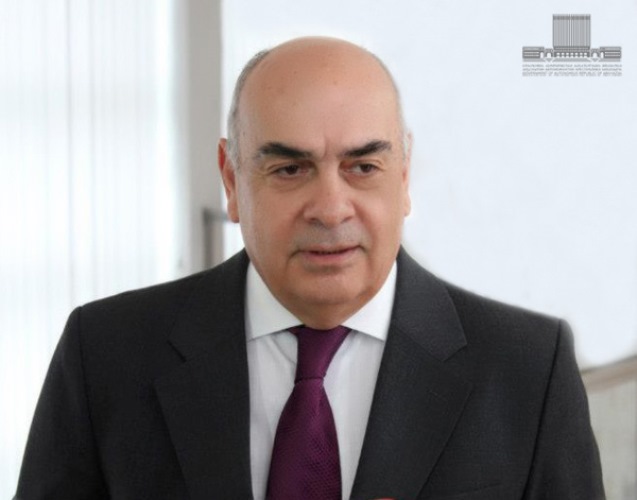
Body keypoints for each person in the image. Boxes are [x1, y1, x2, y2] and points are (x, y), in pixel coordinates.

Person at [15, 37, 603, 499]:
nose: (329, 209)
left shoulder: (529, 371)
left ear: (403, 176)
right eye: (290, 170)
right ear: (231, 180)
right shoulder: (105, 356)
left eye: (363, 167)